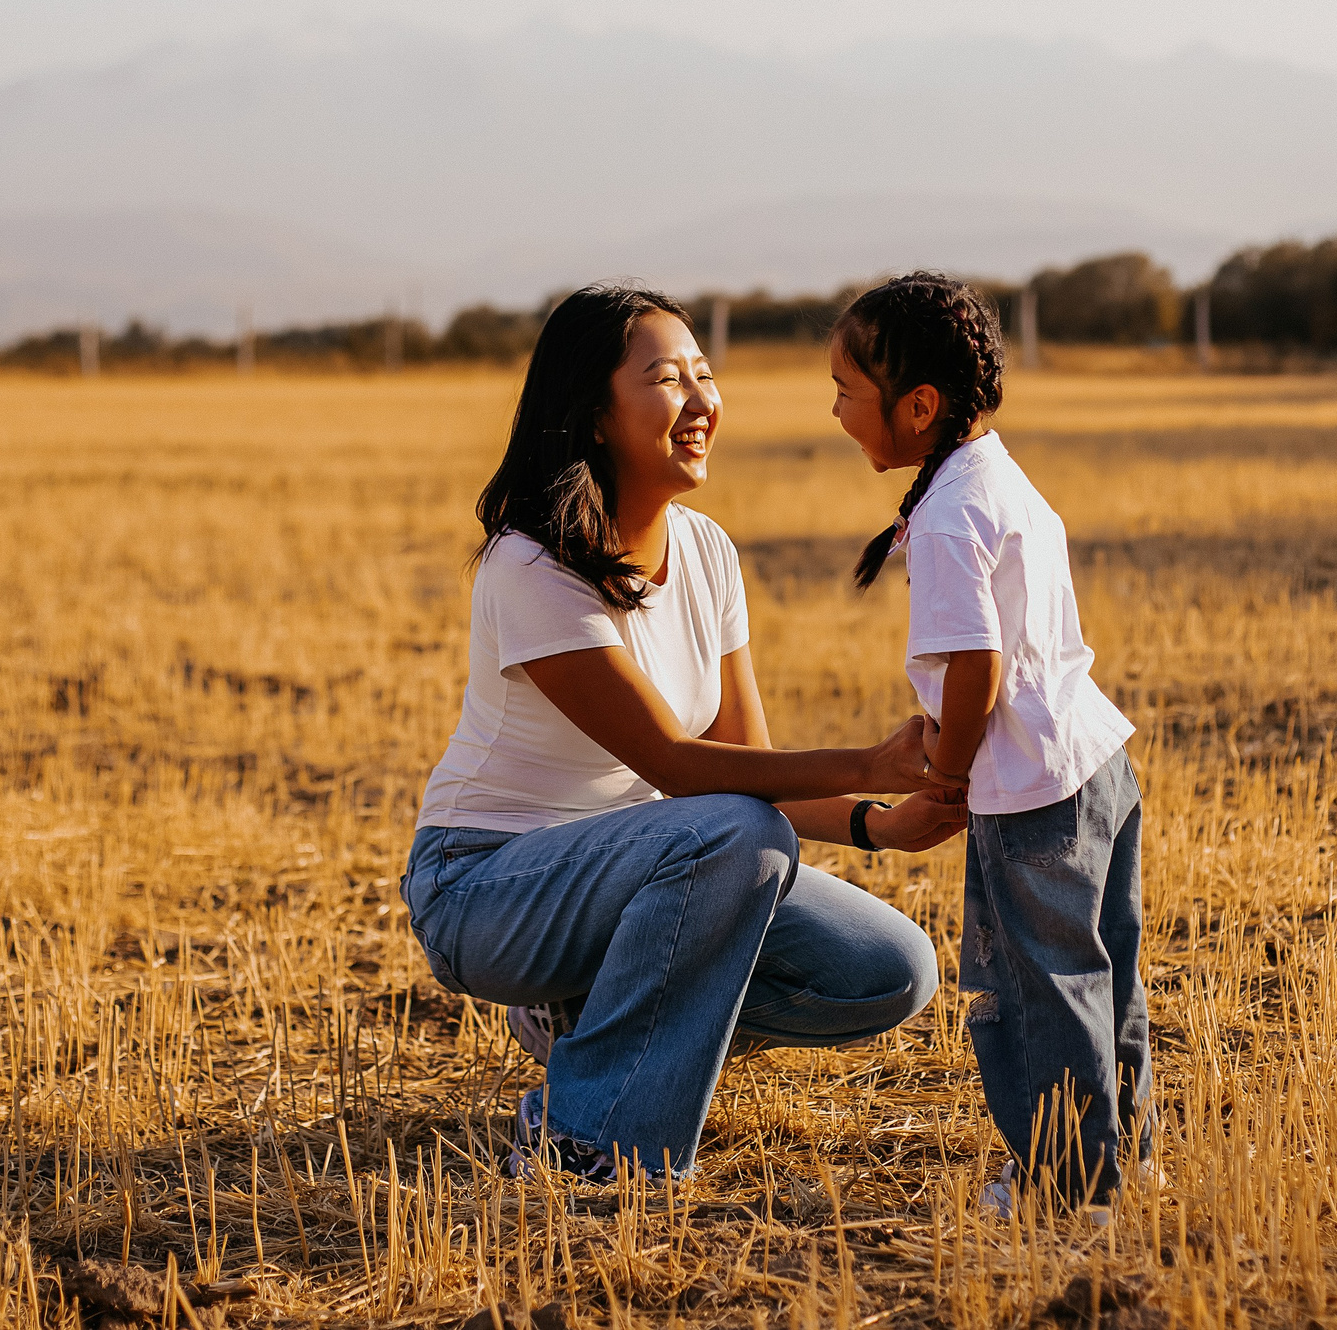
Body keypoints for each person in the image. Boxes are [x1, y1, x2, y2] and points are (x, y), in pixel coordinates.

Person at [401, 282, 968, 1184]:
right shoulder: (531, 563)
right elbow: (675, 762)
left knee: (888, 968)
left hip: (639, 875)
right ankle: (586, 1136)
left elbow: (749, 758)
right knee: (740, 832)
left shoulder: (706, 551)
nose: (702, 400)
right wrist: (873, 759)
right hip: (487, 885)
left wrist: (876, 821)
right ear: (594, 412)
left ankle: (589, 1021)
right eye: (669, 379)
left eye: (706, 374)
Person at [825, 271, 1149, 1215]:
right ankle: (1123, 1157)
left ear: (916, 407)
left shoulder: (948, 514)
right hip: (1096, 761)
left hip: (1031, 791)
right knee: (1105, 970)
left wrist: (949, 770)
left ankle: (1069, 1185)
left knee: (1034, 990)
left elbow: (978, 667)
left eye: (848, 391)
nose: (836, 411)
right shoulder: (994, 475)